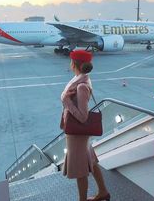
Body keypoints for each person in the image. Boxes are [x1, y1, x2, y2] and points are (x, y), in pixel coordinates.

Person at [60, 50, 110, 201]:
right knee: (90, 160)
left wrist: (66, 101)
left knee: (80, 169)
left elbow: (83, 117)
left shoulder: (81, 86)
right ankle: (103, 192)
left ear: (74, 64)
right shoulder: (81, 79)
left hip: (77, 133)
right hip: (79, 134)